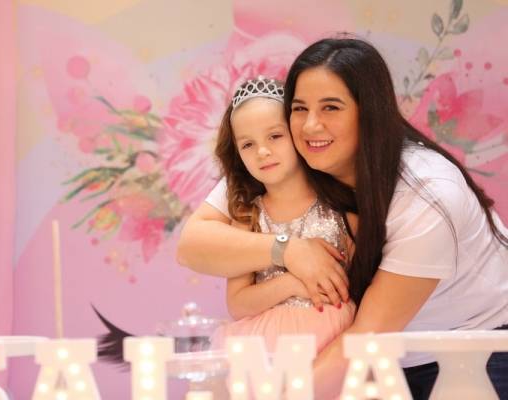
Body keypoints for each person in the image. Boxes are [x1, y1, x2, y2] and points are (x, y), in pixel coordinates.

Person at [177, 37, 508, 400]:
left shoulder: (428, 193)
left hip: (467, 350)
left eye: (331, 107)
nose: (311, 125)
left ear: (369, 113)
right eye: (300, 108)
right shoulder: (283, 157)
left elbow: (367, 335)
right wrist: (287, 249)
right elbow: (193, 245)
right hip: (366, 355)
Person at [207, 77, 356, 355]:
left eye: (275, 136)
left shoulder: (339, 207)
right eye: (248, 145)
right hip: (268, 347)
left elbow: (362, 285)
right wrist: (292, 284)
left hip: (334, 341)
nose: (262, 152)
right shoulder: (248, 215)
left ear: (298, 134)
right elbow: (238, 303)